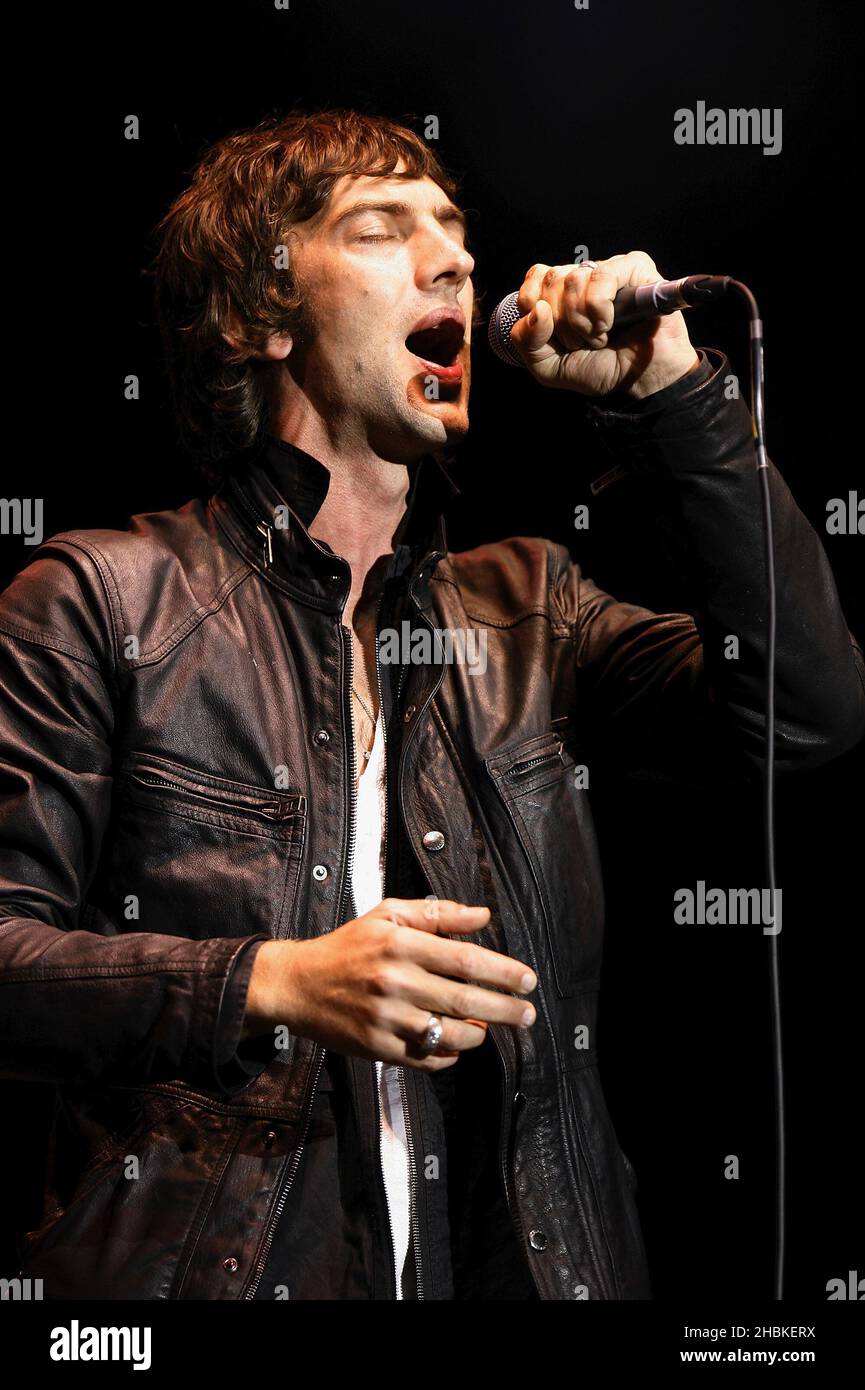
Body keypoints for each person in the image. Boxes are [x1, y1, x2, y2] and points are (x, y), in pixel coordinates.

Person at [1, 109, 862, 1301]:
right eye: (381, 227)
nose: (453, 258)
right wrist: (271, 981)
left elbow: (802, 711)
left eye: (455, 231)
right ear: (257, 313)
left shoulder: (527, 611)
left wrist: (676, 394)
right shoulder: (99, 599)